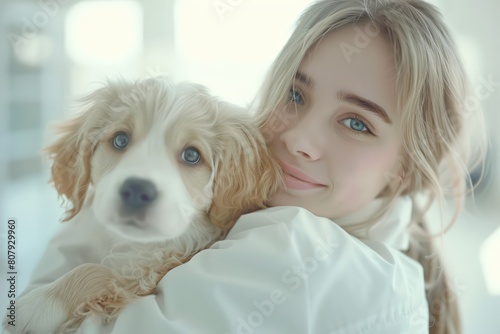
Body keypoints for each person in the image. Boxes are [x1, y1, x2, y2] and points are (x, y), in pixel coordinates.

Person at [10, 0, 486, 333]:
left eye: (357, 123)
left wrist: (70, 278)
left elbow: (30, 324)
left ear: (406, 169)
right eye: (295, 95)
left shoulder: (300, 249)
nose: (298, 139)